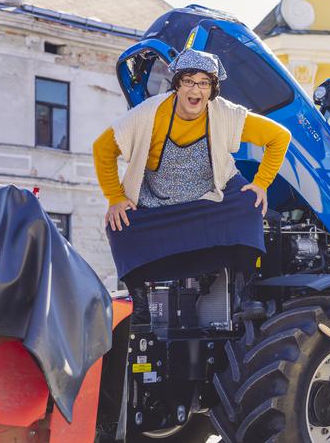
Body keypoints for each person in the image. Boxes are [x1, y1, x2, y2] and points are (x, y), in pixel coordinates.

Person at [92, 48, 291, 323]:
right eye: (188, 80)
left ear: (212, 89)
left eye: (203, 82)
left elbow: (279, 136)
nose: (195, 89)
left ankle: (243, 297)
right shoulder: (149, 113)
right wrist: (115, 197)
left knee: (249, 206)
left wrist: (261, 184)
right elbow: (102, 148)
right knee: (120, 225)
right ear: (177, 85)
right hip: (159, 200)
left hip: (209, 195)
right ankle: (140, 306)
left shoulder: (225, 114)